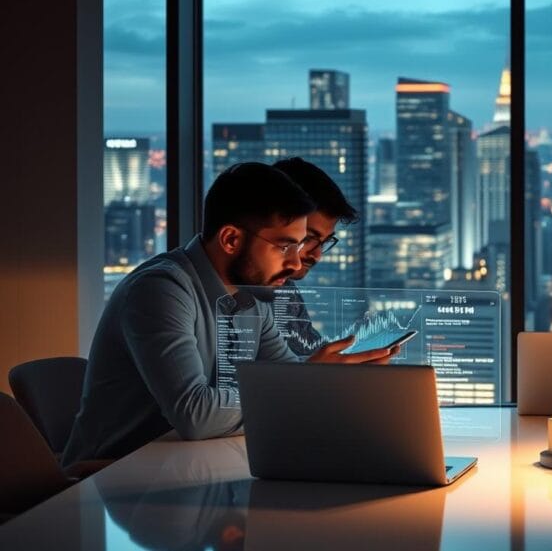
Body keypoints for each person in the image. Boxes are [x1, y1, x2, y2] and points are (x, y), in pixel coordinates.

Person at [63, 163, 395, 468]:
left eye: (299, 246)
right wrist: (305, 382)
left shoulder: (253, 295)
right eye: (284, 247)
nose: (296, 264)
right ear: (231, 239)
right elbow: (196, 414)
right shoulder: (160, 290)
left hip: (190, 466)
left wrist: (340, 378)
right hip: (112, 479)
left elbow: (286, 380)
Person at [271, 157, 359, 357]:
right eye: (309, 238)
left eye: (325, 241)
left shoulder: (285, 291)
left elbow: (313, 355)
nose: (317, 255)